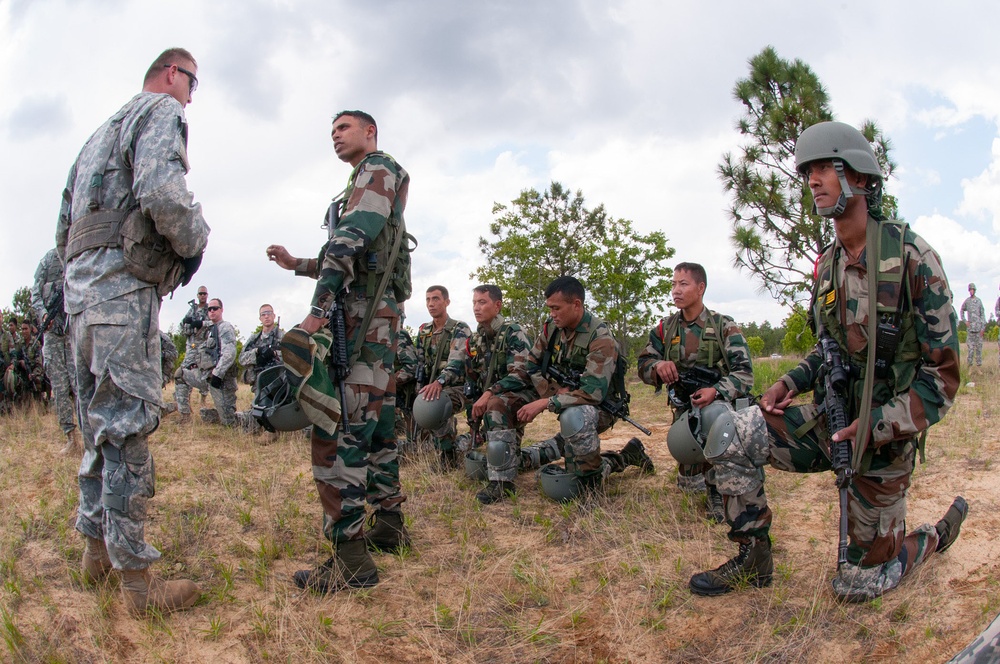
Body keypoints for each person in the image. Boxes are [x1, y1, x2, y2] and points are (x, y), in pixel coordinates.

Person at [688, 121, 966, 602]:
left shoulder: (912, 258)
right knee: (728, 430)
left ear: (858, 175)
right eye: (808, 172)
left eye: (823, 168)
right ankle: (753, 559)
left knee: (857, 585)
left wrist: (875, 424)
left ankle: (932, 537)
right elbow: (827, 348)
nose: (812, 181)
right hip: (831, 420)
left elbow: (942, 378)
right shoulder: (829, 263)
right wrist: (791, 381)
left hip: (883, 438)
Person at [55, 47, 208, 615]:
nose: (193, 95)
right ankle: (138, 585)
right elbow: (164, 195)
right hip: (121, 294)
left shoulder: (96, 134)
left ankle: (95, 555)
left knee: (100, 428)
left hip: (82, 297)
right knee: (127, 432)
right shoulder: (159, 112)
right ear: (174, 73)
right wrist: (196, 241)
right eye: (193, 83)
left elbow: (61, 227)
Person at [266, 109, 411, 593]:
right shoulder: (368, 179)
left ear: (370, 131)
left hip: (361, 319)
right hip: (377, 319)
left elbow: (349, 242)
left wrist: (317, 309)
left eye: (343, 128)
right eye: (331, 130)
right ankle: (389, 526)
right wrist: (297, 264)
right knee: (379, 424)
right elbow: (357, 254)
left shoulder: (377, 168)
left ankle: (352, 560)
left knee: (339, 426)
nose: (335, 135)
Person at [493, 276, 653, 494]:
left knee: (574, 445)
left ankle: (622, 459)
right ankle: (506, 473)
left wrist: (546, 402)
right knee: (505, 404)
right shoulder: (552, 329)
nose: (552, 314)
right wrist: (550, 392)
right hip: (564, 397)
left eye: (556, 308)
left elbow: (592, 393)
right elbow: (532, 363)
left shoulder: (600, 337)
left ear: (576, 304)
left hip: (599, 406)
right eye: (550, 308)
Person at [637, 262, 754, 522]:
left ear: (700, 288)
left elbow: (745, 374)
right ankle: (695, 470)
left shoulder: (724, 326)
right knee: (689, 484)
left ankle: (717, 489)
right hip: (683, 412)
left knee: (713, 417)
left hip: (717, 410)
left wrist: (717, 390)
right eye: (673, 284)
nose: (676, 290)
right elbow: (642, 366)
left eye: (683, 284)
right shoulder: (664, 329)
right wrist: (658, 366)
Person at [447, 285, 533, 503]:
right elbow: (471, 380)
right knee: (494, 409)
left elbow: (521, 375)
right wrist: (472, 415)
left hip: (522, 393)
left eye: (482, 302)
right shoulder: (476, 339)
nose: (476, 308)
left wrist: (488, 394)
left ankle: (503, 484)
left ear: (497, 306)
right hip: (496, 396)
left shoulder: (514, 332)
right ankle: (511, 460)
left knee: (495, 405)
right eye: (474, 302)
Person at [415, 285, 472, 469]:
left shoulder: (459, 328)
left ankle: (448, 458)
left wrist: (439, 382)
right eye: (428, 299)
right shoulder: (424, 331)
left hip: (460, 386)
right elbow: (420, 361)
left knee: (434, 403)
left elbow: (456, 363)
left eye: (436, 299)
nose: (431, 304)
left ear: (446, 302)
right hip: (434, 385)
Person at [31, 247, 79, 453]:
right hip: (52, 335)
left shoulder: (77, 255)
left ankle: (91, 434)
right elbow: (35, 293)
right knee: (59, 388)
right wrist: (43, 315)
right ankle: (70, 438)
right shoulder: (47, 261)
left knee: (80, 384)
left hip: (73, 332)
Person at [172, 298, 237, 425]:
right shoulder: (210, 329)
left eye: (215, 308)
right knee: (180, 374)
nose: (212, 311)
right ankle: (185, 416)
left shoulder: (225, 327)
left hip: (220, 381)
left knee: (229, 422)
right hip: (206, 378)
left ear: (222, 310)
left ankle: (255, 418)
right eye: (209, 309)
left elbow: (230, 354)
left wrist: (217, 374)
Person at [235, 304, 284, 434]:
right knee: (252, 423)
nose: (266, 316)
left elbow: (291, 356)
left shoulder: (282, 336)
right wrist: (257, 353)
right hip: (259, 380)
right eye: (263, 314)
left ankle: (270, 427)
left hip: (279, 381)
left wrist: (274, 354)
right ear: (260, 318)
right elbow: (241, 358)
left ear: (274, 316)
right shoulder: (254, 338)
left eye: (269, 313)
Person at [179, 286, 211, 404]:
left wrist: (202, 323)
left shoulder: (210, 309)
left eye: (204, 294)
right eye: (200, 294)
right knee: (184, 371)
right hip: (191, 346)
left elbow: (214, 322)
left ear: (207, 295)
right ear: (197, 295)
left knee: (203, 372)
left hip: (204, 346)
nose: (202, 296)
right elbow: (182, 326)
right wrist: (186, 323)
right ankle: (184, 400)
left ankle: (203, 400)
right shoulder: (192, 309)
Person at [393, 325, 419, 450]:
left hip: (403, 391)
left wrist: (389, 382)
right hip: (390, 390)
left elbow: (411, 367)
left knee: (416, 441)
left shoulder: (398, 334)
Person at [960, 283, 985, 367]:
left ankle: (979, 367)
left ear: (975, 290)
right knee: (970, 349)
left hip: (978, 329)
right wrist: (965, 321)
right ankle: (969, 367)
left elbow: (982, 314)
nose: (971, 291)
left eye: (972, 289)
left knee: (979, 349)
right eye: (970, 289)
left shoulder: (979, 301)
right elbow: (961, 311)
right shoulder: (967, 301)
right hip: (970, 330)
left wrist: (983, 328)